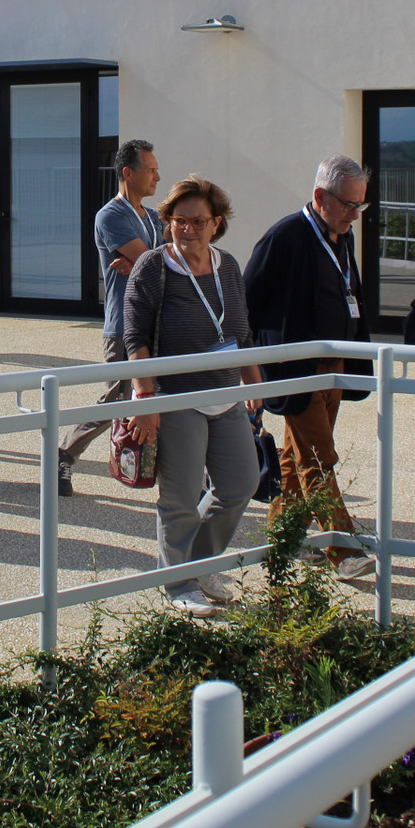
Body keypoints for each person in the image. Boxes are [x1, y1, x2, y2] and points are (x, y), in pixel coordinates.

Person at [123, 174, 261, 618]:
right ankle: (179, 583)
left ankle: (199, 565)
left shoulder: (228, 266)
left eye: (198, 221)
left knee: (241, 483)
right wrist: (145, 398)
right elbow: (134, 337)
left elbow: (241, 331)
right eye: (179, 220)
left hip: (225, 393)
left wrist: (254, 382)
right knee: (180, 499)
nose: (188, 229)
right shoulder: (154, 267)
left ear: (216, 223)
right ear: (168, 222)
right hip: (176, 397)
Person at [243, 155, 375, 581]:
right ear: (321, 196)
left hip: (333, 368)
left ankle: (284, 536)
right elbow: (247, 302)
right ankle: (342, 548)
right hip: (295, 370)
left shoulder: (342, 236)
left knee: (294, 456)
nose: (355, 214)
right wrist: (249, 370)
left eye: (360, 205)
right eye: (348, 204)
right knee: (319, 457)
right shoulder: (284, 236)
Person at [59, 138, 162, 494]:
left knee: (165, 397)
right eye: (151, 170)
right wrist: (145, 263)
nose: (157, 177)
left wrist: (140, 264)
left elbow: (164, 261)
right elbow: (156, 262)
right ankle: (63, 454)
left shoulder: (152, 217)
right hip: (124, 326)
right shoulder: (111, 215)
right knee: (117, 400)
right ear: (128, 173)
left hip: (158, 322)